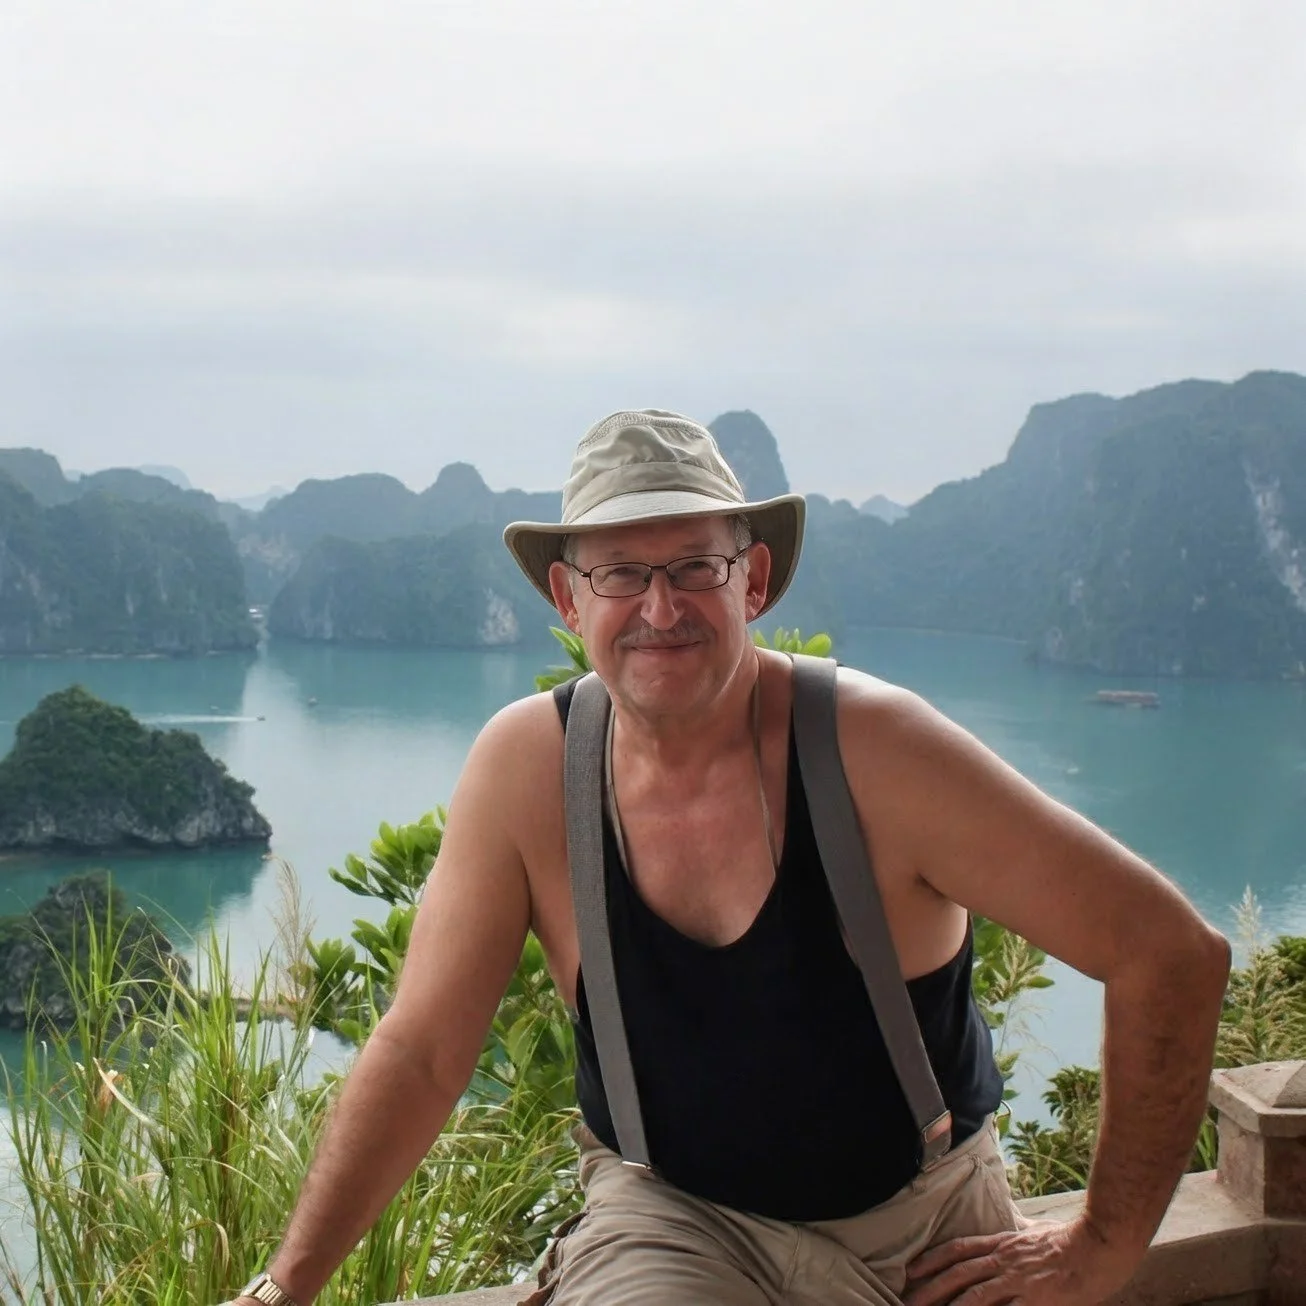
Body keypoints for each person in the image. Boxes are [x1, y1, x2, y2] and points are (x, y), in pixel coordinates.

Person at [229, 410, 1229, 1306]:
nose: (660, 609)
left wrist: (1101, 1247)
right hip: (674, 1221)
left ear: (752, 580)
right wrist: (282, 1290)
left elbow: (1168, 952)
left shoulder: (875, 752)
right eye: (621, 573)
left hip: (924, 1230)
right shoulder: (529, 770)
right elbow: (423, 1050)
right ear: (568, 598)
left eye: (695, 568)